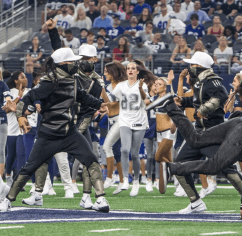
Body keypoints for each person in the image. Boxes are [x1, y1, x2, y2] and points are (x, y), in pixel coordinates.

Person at [0, 48, 110, 213]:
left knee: (91, 160)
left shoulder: (72, 80)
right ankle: (8, 201)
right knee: (29, 167)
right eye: (72, 61)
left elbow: (82, 96)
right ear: (62, 64)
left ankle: (100, 198)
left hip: (69, 132)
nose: (75, 64)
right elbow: (28, 98)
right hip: (48, 134)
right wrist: (19, 116)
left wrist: (99, 104)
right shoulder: (48, 81)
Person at [151, 51, 242, 214]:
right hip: (198, 132)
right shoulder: (199, 83)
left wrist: (204, 109)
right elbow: (196, 101)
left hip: (213, 132)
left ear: (200, 67)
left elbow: (222, 96)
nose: (190, 67)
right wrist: (183, 101)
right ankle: (195, 202)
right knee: (179, 165)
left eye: (193, 65)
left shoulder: (213, 81)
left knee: (226, 167)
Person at [110, 61, 149, 197]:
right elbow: (114, 100)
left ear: (138, 72)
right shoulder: (121, 86)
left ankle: (137, 181)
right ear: (126, 71)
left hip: (139, 121)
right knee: (124, 149)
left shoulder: (142, 85)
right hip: (125, 120)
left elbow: (146, 100)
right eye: (128, 68)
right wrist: (104, 106)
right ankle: (126, 179)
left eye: (133, 68)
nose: (131, 70)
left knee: (134, 153)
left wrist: (140, 89)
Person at [102, 62, 126, 193]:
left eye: (107, 71)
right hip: (111, 120)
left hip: (120, 119)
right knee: (117, 151)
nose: (105, 73)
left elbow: (110, 102)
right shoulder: (108, 86)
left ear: (113, 72)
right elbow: (107, 105)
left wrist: (101, 89)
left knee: (106, 147)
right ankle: (122, 181)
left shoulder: (121, 86)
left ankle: (109, 177)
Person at [4, 72, 28, 188]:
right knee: (11, 155)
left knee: (22, 155)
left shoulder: (29, 92)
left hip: (23, 129)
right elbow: (7, 109)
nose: (25, 79)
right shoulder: (10, 92)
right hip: (11, 129)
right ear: (16, 81)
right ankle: (8, 175)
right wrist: (18, 97)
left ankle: (19, 180)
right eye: (22, 77)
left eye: (25, 77)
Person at [0, 68, 12, 185]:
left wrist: (8, 101)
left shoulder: (1, 84)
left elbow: (7, 95)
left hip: (1, 120)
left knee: (0, 150)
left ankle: (0, 181)